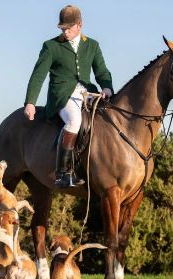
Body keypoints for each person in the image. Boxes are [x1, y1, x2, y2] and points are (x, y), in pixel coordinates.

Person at [24, 5, 114, 188]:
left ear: (79, 26)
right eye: (62, 28)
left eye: (68, 28)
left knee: (108, 117)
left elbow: (102, 71)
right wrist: (30, 102)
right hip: (62, 95)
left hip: (88, 93)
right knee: (74, 120)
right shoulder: (51, 46)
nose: (65, 32)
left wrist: (106, 87)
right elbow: (38, 75)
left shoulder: (92, 45)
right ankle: (62, 173)